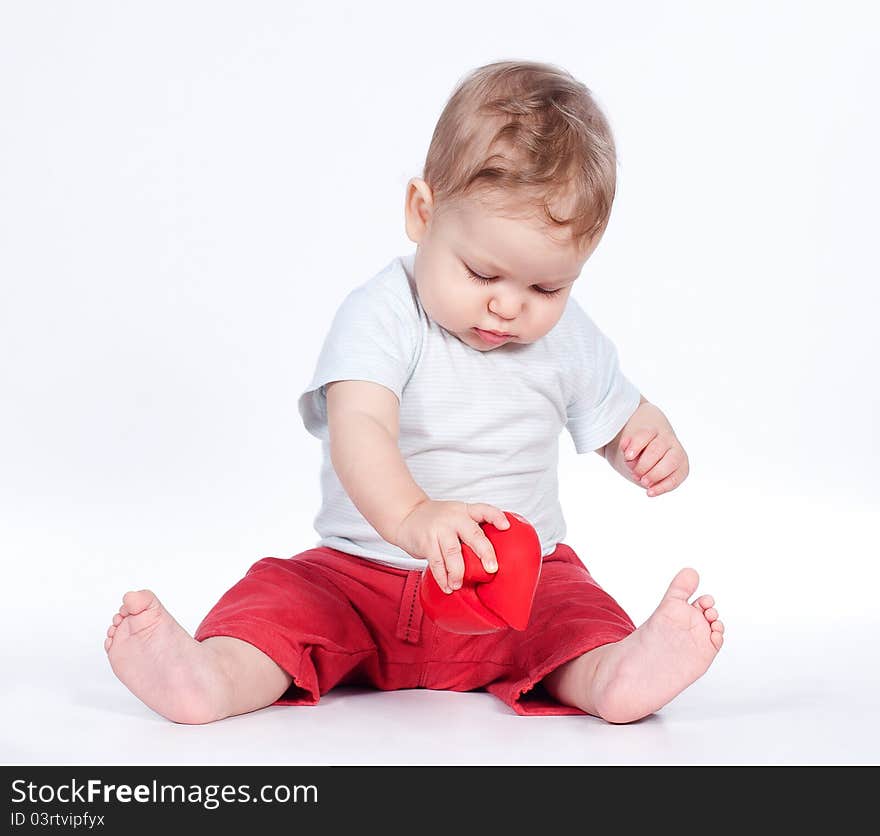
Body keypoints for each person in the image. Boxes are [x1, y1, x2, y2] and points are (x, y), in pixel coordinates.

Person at [105, 59, 723, 725]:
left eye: (546, 287)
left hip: (517, 590)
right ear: (422, 213)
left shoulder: (567, 336)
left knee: (574, 610)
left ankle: (614, 676)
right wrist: (413, 517)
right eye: (483, 270)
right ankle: (212, 677)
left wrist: (648, 442)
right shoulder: (384, 314)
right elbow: (360, 429)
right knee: (281, 597)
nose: (510, 305)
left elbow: (618, 416)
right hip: (359, 581)